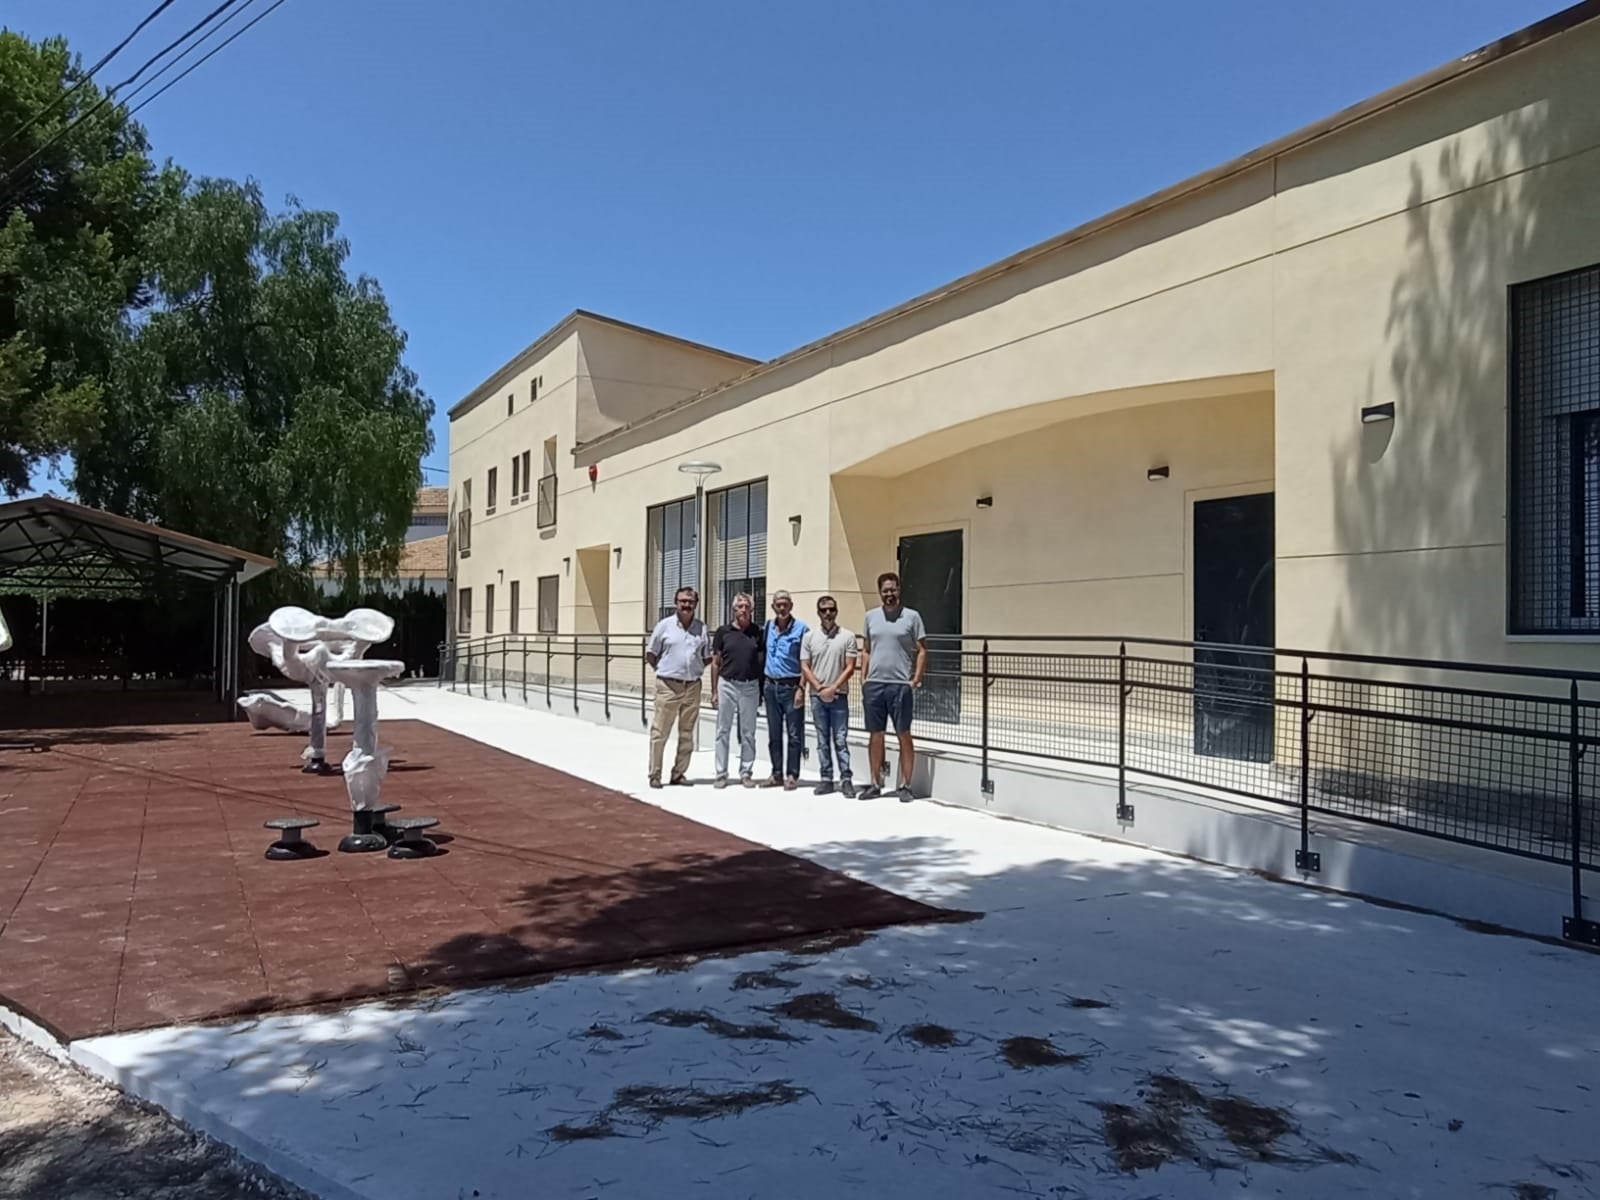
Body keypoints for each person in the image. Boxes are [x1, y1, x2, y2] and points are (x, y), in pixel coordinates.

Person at [858, 571, 927, 802]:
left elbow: (922, 649)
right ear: (880, 592)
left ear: (899, 589)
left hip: (900, 685)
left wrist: (915, 679)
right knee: (875, 735)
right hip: (875, 685)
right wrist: (863, 678)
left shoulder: (912, 617)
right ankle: (875, 783)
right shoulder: (870, 617)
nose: (890, 594)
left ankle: (906, 786)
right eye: (885, 590)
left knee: (903, 734)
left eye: (893, 589)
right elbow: (866, 648)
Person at [645, 586, 710, 788]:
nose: (686, 605)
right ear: (676, 603)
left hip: (692, 686)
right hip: (668, 686)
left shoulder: (701, 628)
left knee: (687, 732)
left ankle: (678, 773)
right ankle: (655, 774)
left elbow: (707, 656)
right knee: (660, 732)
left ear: (696, 605)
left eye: (690, 602)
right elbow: (651, 653)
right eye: (683, 601)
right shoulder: (664, 626)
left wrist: (695, 669)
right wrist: (666, 670)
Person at [800, 594, 857, 797]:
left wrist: (833, 688)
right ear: (818, 613)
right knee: (822, 739)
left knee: (840, 739)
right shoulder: (809, 637)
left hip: (839, 696)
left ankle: (846, 779)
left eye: (831, 609)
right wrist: (819, 688)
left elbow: (850, 667)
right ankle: (826, 779)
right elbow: (805, 666)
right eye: (823, 610)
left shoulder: (847, 636)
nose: (828, 614)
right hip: (817, 697)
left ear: (836, 611)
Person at [710, 592, 763, 788]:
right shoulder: (723, 632)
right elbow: (716, 663)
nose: (743, 610)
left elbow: (761, 660)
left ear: (751, 609)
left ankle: (746, 772)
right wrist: (715, 691)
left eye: (746, 606)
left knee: (748, 732)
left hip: (750, 686)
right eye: (740, 606)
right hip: (727, 684)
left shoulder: (758, 632)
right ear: (733, 610)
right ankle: (721, 773)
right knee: (722, 730)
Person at [761, 590, 807, 790]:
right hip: (771, 686)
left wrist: (801, 688)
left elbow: (807, 662)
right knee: (774, 733)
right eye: (778, 605)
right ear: (773, 607)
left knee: (795, 734)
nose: (782, 608)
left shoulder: (802, 629)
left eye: (785, 604)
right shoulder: (768, 627)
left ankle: (792, 774)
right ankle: (776, 773)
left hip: (791, 686)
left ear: (791, 606)